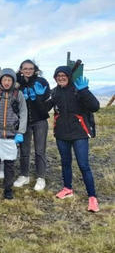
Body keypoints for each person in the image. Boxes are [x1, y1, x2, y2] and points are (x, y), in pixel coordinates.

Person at [45, 66, 100, 212]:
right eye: (58, 75)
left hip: (79, 134)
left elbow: (95, 106)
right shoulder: (54, 92)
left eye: (64, 75)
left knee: (84, 165)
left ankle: (92, 197)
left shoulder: (77, 90)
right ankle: (67, 188)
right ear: (55, 77)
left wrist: (85, 91)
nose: (61, 77)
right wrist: (35, 98)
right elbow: (43, 110)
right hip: (62, 134)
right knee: (65, 163)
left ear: (69, 76)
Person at [0, 69, 27, 200]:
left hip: (11, 136)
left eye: (9, 80)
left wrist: (20, 132)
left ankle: (8, 189)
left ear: (13, 81)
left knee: (9, 165)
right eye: (4, 80)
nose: (7, 82)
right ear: (0, 80)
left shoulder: (17, 94)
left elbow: (24, 112)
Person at [14, 60, 50, 191]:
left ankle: (41, 177)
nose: (28, 70)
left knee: (40, 150)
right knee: (24, 150)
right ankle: (24, 175)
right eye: (25, 68)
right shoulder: (18, 83)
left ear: (35, 69)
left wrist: (37, 98)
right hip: (24, 121)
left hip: (40, 120)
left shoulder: (42, 82)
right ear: (21, 70)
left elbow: (47, 101)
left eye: (30, 68)